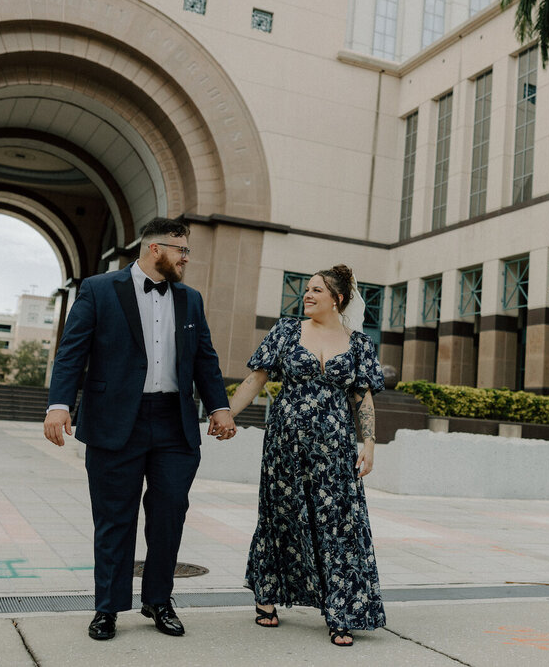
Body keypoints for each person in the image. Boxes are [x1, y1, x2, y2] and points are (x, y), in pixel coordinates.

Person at [42, 217, 237, 641]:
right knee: (114, 518)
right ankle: (107, 608)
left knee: (169, 515)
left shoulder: (190, 299)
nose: (186, 258)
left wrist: (219, 407)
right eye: (181, 250)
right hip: (115, 421)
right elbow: (71, 352)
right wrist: (59, 404)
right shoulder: (98, 290)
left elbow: (205, 358)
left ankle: (158, 600)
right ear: (155, 249)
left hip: (175, 423)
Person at [228, 264, 386, 647]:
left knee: (339, 523)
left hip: (333, 448)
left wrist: (369, 444)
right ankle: (267, 596)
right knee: (280, 514)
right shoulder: (286, 330)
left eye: (317, 290)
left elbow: (361, 396)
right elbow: (256, 378)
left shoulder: (359, 344)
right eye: (308, 289)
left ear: (339, 299)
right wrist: (225, 416)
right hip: (284, 443)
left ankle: (341, 612)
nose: (308, 295)